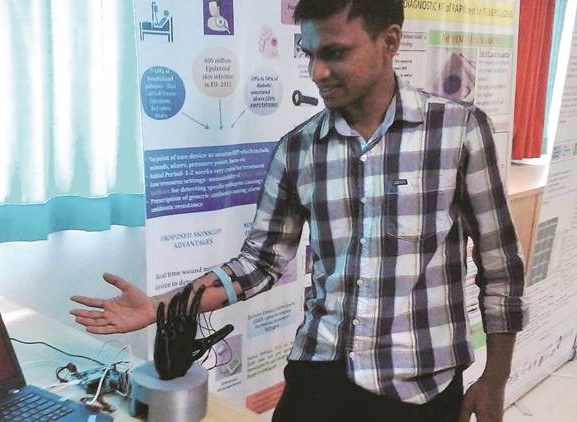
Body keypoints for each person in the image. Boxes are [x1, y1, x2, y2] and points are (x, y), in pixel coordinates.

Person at [70, 1, 527, 421]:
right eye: (309, 53)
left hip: (420, 388)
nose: (318, 71)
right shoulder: (299, 148)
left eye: (334, 52)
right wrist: (158, 308)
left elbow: (500, 266)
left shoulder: (458, 130)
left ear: (390, 41)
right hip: (320, 374)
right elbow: (258, 262)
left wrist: (496, 378)